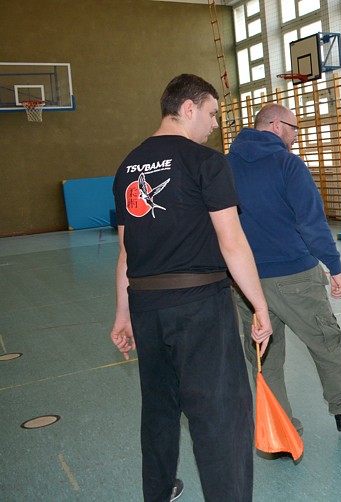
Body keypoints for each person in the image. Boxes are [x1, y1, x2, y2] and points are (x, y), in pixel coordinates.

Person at [110, 74, 273, 502]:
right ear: (188, 108)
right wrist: (260, 305)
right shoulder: (206, 162)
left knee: (160, 407)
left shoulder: (128, 166)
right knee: (221, 413)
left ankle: (158, 491)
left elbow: (126, 252)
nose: (216, 124)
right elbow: (232, 242)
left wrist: (123, 315)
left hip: (146, 307)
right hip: (199, 305)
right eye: (212, 113)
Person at [227, 103, 341, 440]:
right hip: (294, 275)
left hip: (245, 281)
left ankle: (279, 429)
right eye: (294, 129)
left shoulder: (224, 166)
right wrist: (335, 266)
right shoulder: (287, 163)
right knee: (324, 340)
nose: (294, 137)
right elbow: (311, 222)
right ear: (277, 125)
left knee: (264, 355)